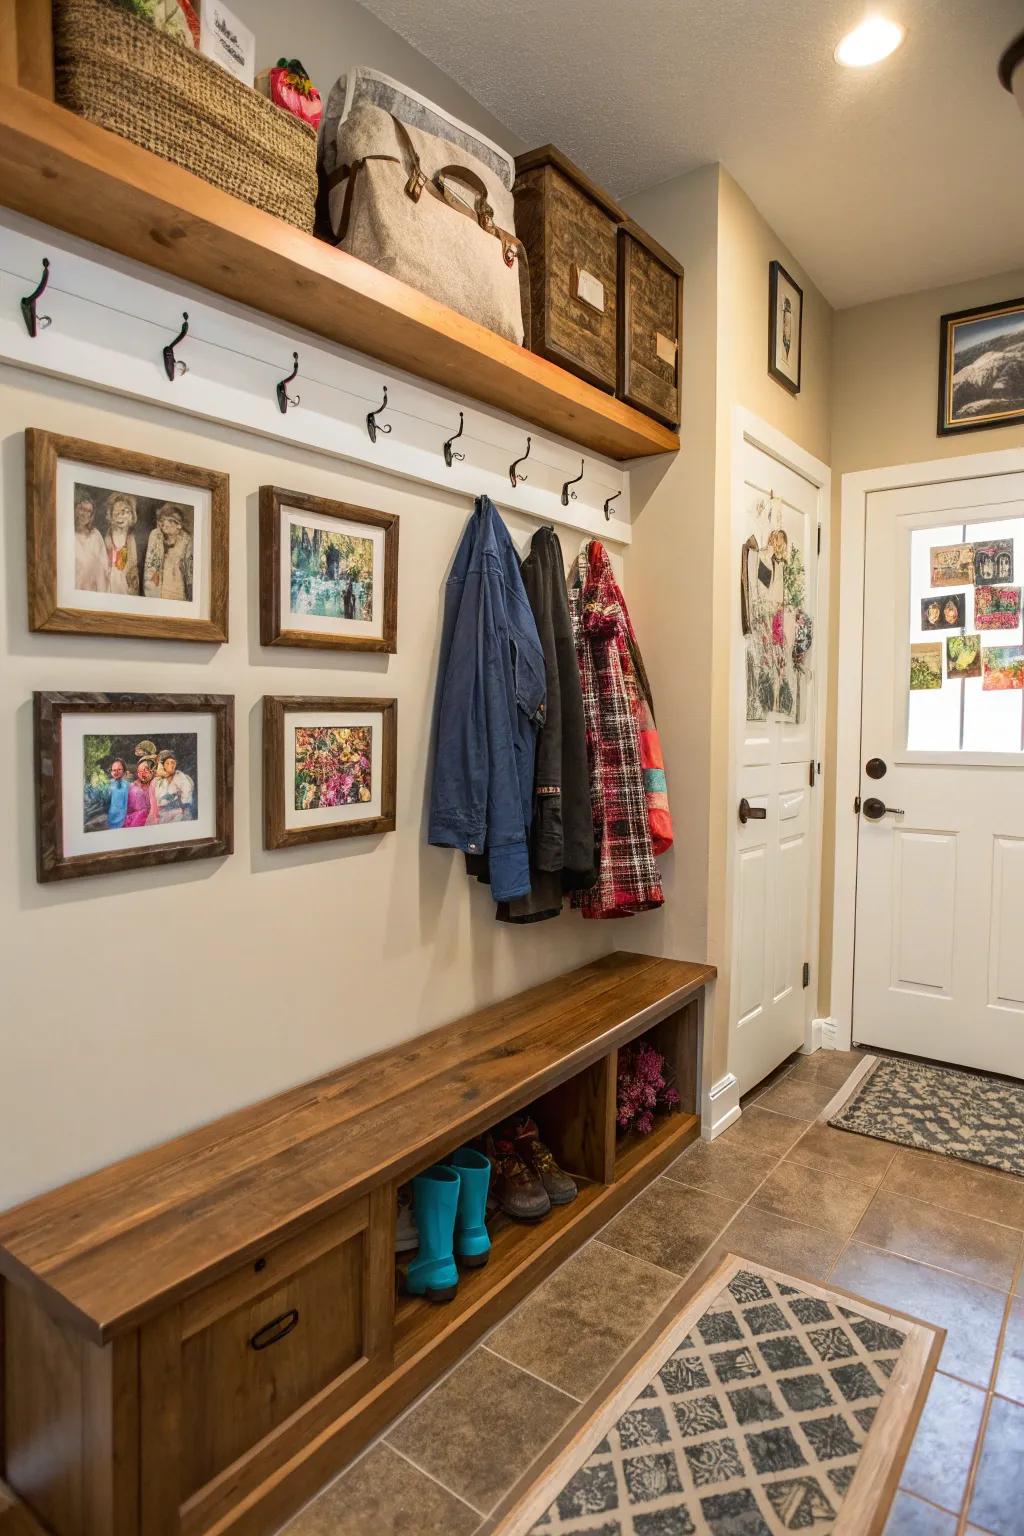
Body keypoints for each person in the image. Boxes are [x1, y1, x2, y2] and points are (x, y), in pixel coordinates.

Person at [144, 506, 193, 602]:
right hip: (160, 588)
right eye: (163, 520)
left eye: (170, 521)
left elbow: (189, 570)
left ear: (179, 525)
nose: (165, 524)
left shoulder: (186, 540)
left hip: (178, 588)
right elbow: (150, 565)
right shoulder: (156, 536)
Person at [104, 494, 140, 596]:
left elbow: (133, 567)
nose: (120, 517)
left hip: (127, 586)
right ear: (110, 515)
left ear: (131, 515)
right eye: (116, 513)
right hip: (110, 584)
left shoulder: (132, 539)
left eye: (125, 512)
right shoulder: (108, 538)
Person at [74, 496, 108, 592]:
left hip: (94, 590)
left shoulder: (96, 534)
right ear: (76, 509)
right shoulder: (70, 535)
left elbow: (104, 564)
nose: (85, 514)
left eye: (89, 511)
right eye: (82, 509)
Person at [153, 750, 195, 823]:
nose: (171, 766)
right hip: (164, 814)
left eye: (173, 763)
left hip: (180, 812)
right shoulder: (160, 781)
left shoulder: (180, 777)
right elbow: (159, 800)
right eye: (167, 763)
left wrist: (182, 806)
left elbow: (186, 795)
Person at [124, 756, 157, 827]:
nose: (142, 774)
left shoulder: (158, 784)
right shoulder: (132, 787)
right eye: (139, 772)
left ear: (153, 770)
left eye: (145, 770)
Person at [106, 759, 130, 830]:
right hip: (111, 818)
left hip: (124, 820)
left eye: (119, 769)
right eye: (114, 770)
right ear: (111, 772)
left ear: (124, 771)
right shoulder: (108, 784)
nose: (116, 772)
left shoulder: (128, 785)